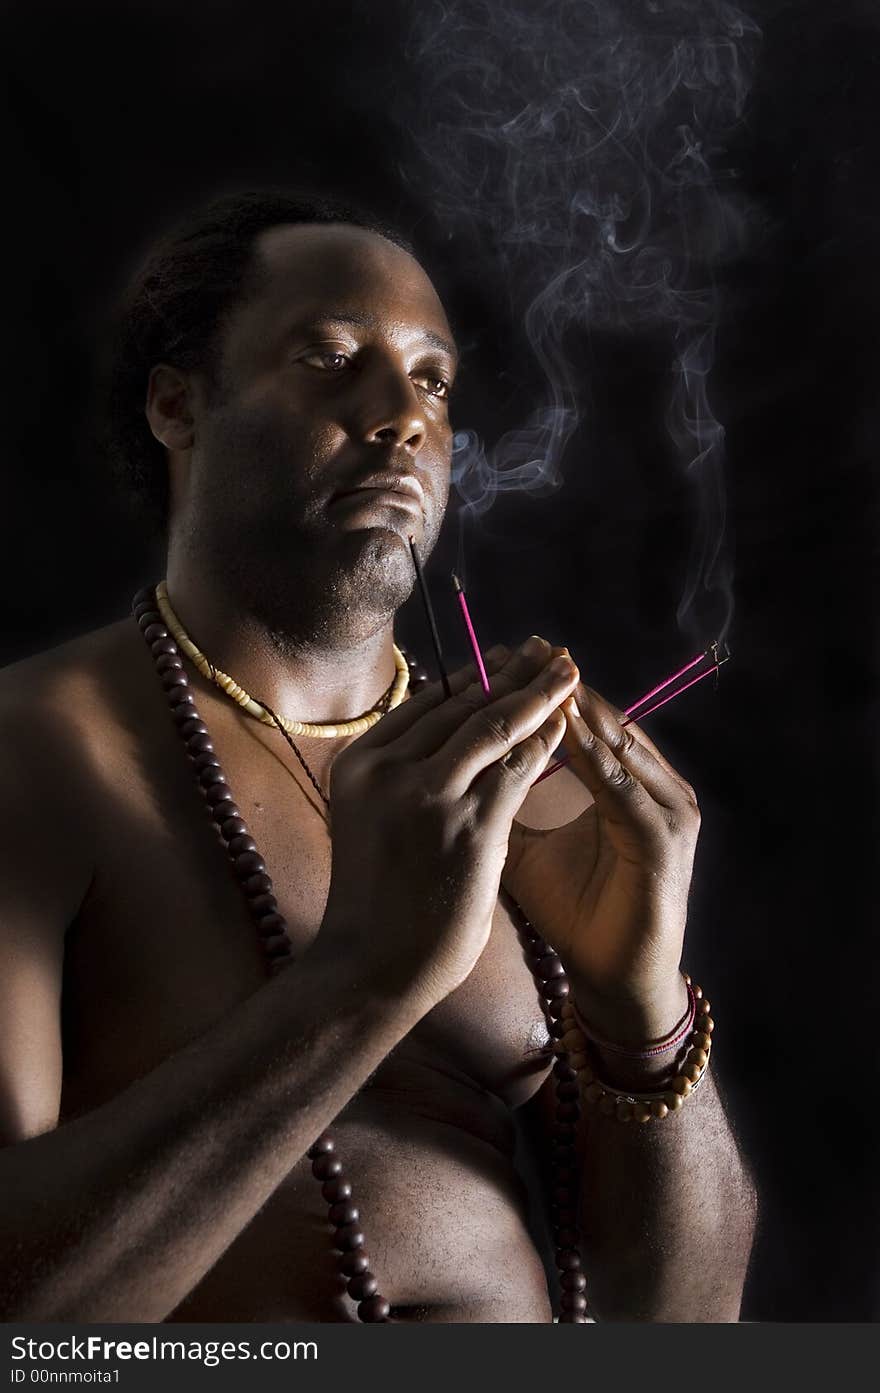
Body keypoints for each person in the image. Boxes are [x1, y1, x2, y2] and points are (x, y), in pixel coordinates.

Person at [0, 190, 756, 1323]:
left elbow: (690, 1326)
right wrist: (364, 977)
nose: (402, 414)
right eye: (330, 357)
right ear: (176, 403)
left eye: (433, 381)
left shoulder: (520, 792)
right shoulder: (37, 754)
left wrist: (639, 1011)